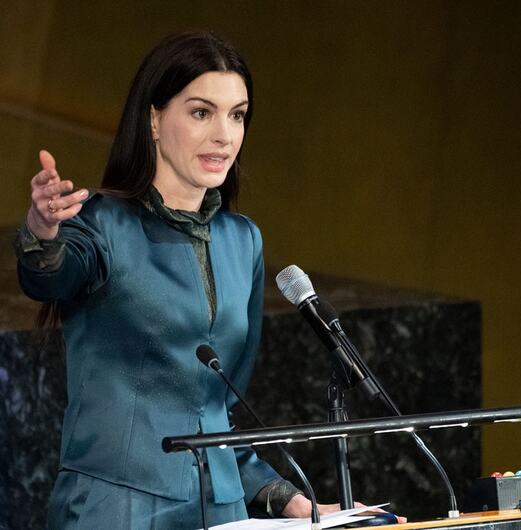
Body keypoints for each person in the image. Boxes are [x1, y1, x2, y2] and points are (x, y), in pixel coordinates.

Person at [14, 32, 395, 528]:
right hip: (118, 508)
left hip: (222, 510)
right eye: (201, 112)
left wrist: (291, 500)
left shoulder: (243, 241)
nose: (224, 135)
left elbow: (215, 412)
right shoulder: (102, 225)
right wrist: (42, 232)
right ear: (153, 118)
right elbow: (49, 275)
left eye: (237, 115)